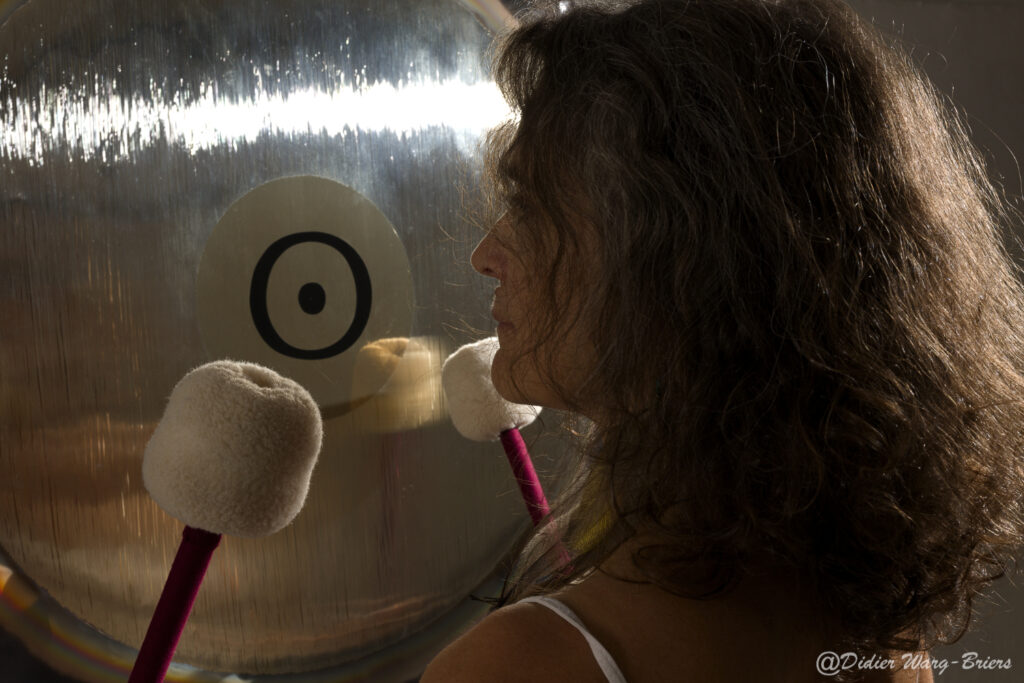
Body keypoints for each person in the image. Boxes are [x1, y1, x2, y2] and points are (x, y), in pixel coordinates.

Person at [423, 0, 1024, 680]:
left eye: (530, 206)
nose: (484, 253)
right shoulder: (884, 645)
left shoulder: (521, 666)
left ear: (678, 259)